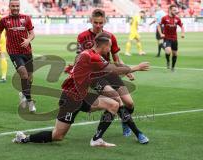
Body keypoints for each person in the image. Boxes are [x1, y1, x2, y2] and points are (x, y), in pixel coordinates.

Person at [12, 32, 150, 147]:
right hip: (70, 98)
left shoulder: (88, 53)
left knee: (113, 104)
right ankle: (24, 138)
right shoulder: (92, 56)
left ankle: (97, 139)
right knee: (57, 136)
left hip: (82, 96)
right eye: (110, 46)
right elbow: (112, 70)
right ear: (104, 46)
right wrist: (136, 67)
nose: (110, 49)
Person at [72, 9, 148, 143]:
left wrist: (127, 70)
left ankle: (125, 121)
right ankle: (138, 133)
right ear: (91, 21)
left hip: (110, 72)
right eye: (95, 22)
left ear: (104, 21)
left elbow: (116, 59)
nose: (98, 25)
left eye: (101, 23)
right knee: (117, 100)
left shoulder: (110, 36)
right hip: (95, 76)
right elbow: (79, 57)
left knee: (129, 103)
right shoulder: (82, 36)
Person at [0, 0, 36, 112]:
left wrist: (28, 40)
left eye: (17, 6)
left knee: (30, 77)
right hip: (14, 52)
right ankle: (30, 101)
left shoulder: (26, 18)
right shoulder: (4, 20)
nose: (15, 7)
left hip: (27, 51)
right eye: (13, 6)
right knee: (24, 74)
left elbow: (32, 33)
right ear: (9, 7)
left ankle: (23, 93)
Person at [157, 4, 185, 72]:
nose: (175, 11)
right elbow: (159, 25)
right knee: (168, 51)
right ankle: (168, 61)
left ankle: (173, 67)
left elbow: (182, 26)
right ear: (170, 10)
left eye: (176, 10)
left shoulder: (177, 19)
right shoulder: (164, 18)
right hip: (167, 38)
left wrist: (182, 33)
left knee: (175, 53)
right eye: (174, 10)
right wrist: (161, 33)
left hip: (174, 38)